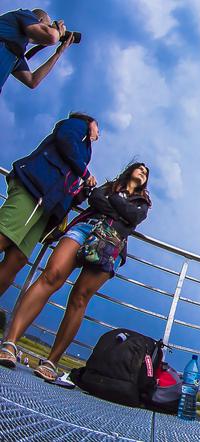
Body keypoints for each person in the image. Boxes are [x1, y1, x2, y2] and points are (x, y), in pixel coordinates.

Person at [0, 163, 150, 380]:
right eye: (140, 168)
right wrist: (117, 209)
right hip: (84, 228)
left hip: (112, 243)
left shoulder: (142, 203)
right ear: (129, 171)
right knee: (51, 276)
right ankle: (10, 343)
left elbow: (132, 218)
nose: (143, 171)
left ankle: (52, 362)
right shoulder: (110, 186)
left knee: (79, 298)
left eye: (147, 172)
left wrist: (111, 202)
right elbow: (95, 199)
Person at [0, 112, 98, 303]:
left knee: (18, 259)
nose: (98, 134)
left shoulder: (82, 153)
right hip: (35, 188)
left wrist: (83, 191)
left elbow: (68, 188)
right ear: (90, 123)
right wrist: (86, 174)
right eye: (97, 128)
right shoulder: (77, 125)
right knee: (4, 235)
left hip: (46, 206)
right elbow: (66, 140)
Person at [0, 8, 76, 94]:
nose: (48, 30)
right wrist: (57, 30)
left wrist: (58, 53)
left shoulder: (16, 54)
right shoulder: (25, 14)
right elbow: (51, 37)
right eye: (48, 26)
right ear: (40, 20)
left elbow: (32, 81)